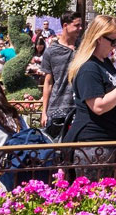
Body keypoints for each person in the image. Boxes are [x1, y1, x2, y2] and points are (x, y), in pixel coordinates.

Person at [41, 11, 83, 141]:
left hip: (79, 107)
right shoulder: (51, 52)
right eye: (77, 25)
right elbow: (48, 82)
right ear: (66, 25)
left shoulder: (83, 48)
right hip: (57, 109)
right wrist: (44, 112)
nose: (80, 28)